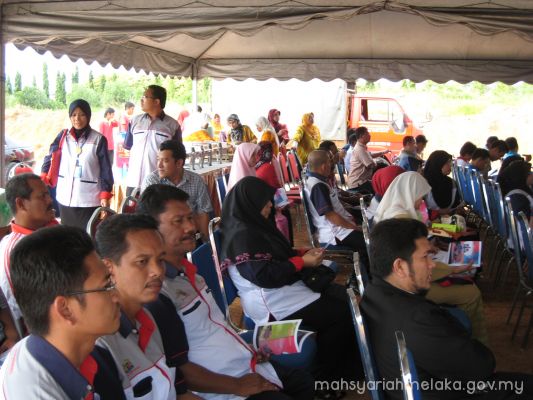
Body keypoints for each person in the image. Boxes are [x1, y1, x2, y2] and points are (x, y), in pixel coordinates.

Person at [136, 184, 314, 400]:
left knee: (303, 383)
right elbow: (179, 372)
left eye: (190, 218)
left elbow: (216, 326)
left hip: (243, 359)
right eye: (178, 221)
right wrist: (237, 385)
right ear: (152, 231)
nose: (191, 226)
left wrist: (245, 348)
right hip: (227, 384)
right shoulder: (158, 295)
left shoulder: (191, 273)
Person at [361, 218, 533, 400]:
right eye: (425, 257)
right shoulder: (418, 319)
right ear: (400, 267)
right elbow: (482, 366)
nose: (432, 264)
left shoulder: (373, 293)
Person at [220, 176, 363, 385]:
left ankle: (343, 366)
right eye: (265, 202)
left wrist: (301, 255)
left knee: (345, 299)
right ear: (251, 204)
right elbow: (264, 276)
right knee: (342, 313)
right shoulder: (242, 237)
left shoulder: (252, 227)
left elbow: (275, 256)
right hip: (273, 304)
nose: (270, 205)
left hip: (284, 291)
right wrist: (301, 262)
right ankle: (326, 376)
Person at [0, 225, 121, 399]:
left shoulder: (55, 352)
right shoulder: (36, 392)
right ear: (65, 310)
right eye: (106, 286)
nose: (117, 296)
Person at [373, 172, 488, 344]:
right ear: (410, 192)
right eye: (420, 196)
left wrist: (434, 246)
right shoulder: (402, 218)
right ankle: (476, 343)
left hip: (399, 281)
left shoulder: (398, 210)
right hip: (408, 286)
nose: (422, 202)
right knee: (471, 293)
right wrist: (452, 269)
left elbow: (422, 237)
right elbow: (415, 263)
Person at [95, 214, 195, 399]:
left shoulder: (148, 319)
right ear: (109, 268)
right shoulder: (100, 346)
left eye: (160, 260)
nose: (157, 271)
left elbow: (179, 393)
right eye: (142, 262)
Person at [0, 173, 58, 342]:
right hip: (43, 336)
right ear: (20, 204)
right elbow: (31, 313)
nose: (50, 200)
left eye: (48, 194)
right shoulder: (21, 251)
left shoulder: (43, 234)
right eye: (42, 196)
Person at [41, 99, 113, 229]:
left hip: (88, 199)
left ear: (88, 116)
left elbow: (106, 170)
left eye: (82, 114)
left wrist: (105, 194)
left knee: (86, 235)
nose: (77, 119)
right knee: (67, 235)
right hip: (64, 196)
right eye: (74, 115)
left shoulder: (99, 139)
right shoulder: (63, 136)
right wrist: (44, 174)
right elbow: (50, 156)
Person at [141, 140, 213, 240]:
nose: (159, 165)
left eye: (165, 161)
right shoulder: (152, 181)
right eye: (158, 160)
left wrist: (207, 243)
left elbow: (203, 213)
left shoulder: (196, 181)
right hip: (162, 237)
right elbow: (149, 218)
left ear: (179, 163)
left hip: (189, 234)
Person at [305, 150, 368, 255]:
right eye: (329, 163)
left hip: (340, 228)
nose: (331, 166)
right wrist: (355, 227)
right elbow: (331, 216)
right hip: (336, 233)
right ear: (324, 166)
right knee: (370, 242)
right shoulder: (317, 186)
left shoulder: (317, 181)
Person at [124, 85, 181, 195]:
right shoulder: (134, 121)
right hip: (133, 181)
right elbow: (128, 146)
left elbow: (178, 157)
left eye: (145, 97)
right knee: (131, 206)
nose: (141, 100)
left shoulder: (173, 125)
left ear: (156, 101)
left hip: (157, 183)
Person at [423, 150, 461, 216]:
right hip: (429, 221)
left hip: (450, 220)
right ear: (437, 164)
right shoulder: (424, 183)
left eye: (450, 162)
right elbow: (419, 209)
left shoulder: (452, 184)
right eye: (447, 163)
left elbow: (456, 205)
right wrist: (438, 213)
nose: (450, 165)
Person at [499, 160, 533, 226]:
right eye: (529, 173)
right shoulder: (516, 197)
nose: (532, 175)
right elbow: (526, 227)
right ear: (521, 177)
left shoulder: (519, 189)